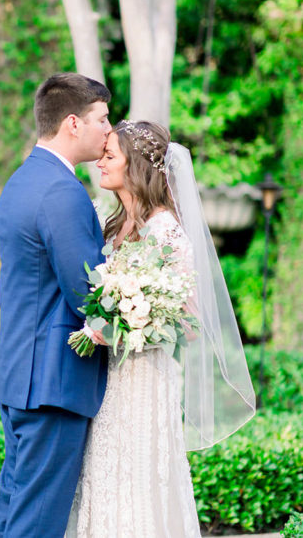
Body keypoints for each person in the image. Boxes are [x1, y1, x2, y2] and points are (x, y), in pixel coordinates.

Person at [66, 120, 256, 537]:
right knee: (103, 471)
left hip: (145, 379)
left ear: (135, 167)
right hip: (108, 379)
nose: (100, 160)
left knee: (138, 475)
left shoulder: (168, 231)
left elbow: (188, 321)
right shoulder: (113, 226)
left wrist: (132, 319)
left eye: (110, 155)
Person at [0, 72, 112, 538]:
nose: (109, 129)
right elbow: (88, 293)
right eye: (102, 119)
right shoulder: (62, 191)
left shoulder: (23, 180)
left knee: (15, 514)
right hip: (53, 381)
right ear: (73, 124)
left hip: (23, 373)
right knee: (37, 524)